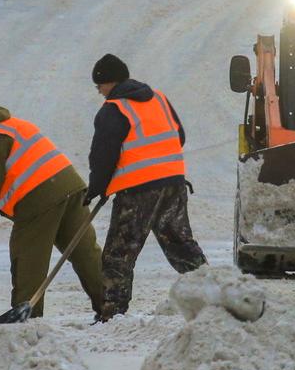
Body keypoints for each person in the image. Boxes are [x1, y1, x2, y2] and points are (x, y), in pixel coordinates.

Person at [0, 95, 106, 318]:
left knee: (28, 258)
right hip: (71, 188)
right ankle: (111, 306)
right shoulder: (14, 125)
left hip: (38, 199)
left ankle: (26, 319)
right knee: (84, 253)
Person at [84, 54, 207, 321]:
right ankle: (215, 298)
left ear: (109, 83)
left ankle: (112, 315)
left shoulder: (113, 109)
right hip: (174, 183)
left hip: (138, 192)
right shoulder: (159, 98)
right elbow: (179, 135)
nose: (100, 92)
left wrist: (96, 187)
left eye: (100, 86)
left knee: (119, 254)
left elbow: (103, 155)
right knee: (181, 246)